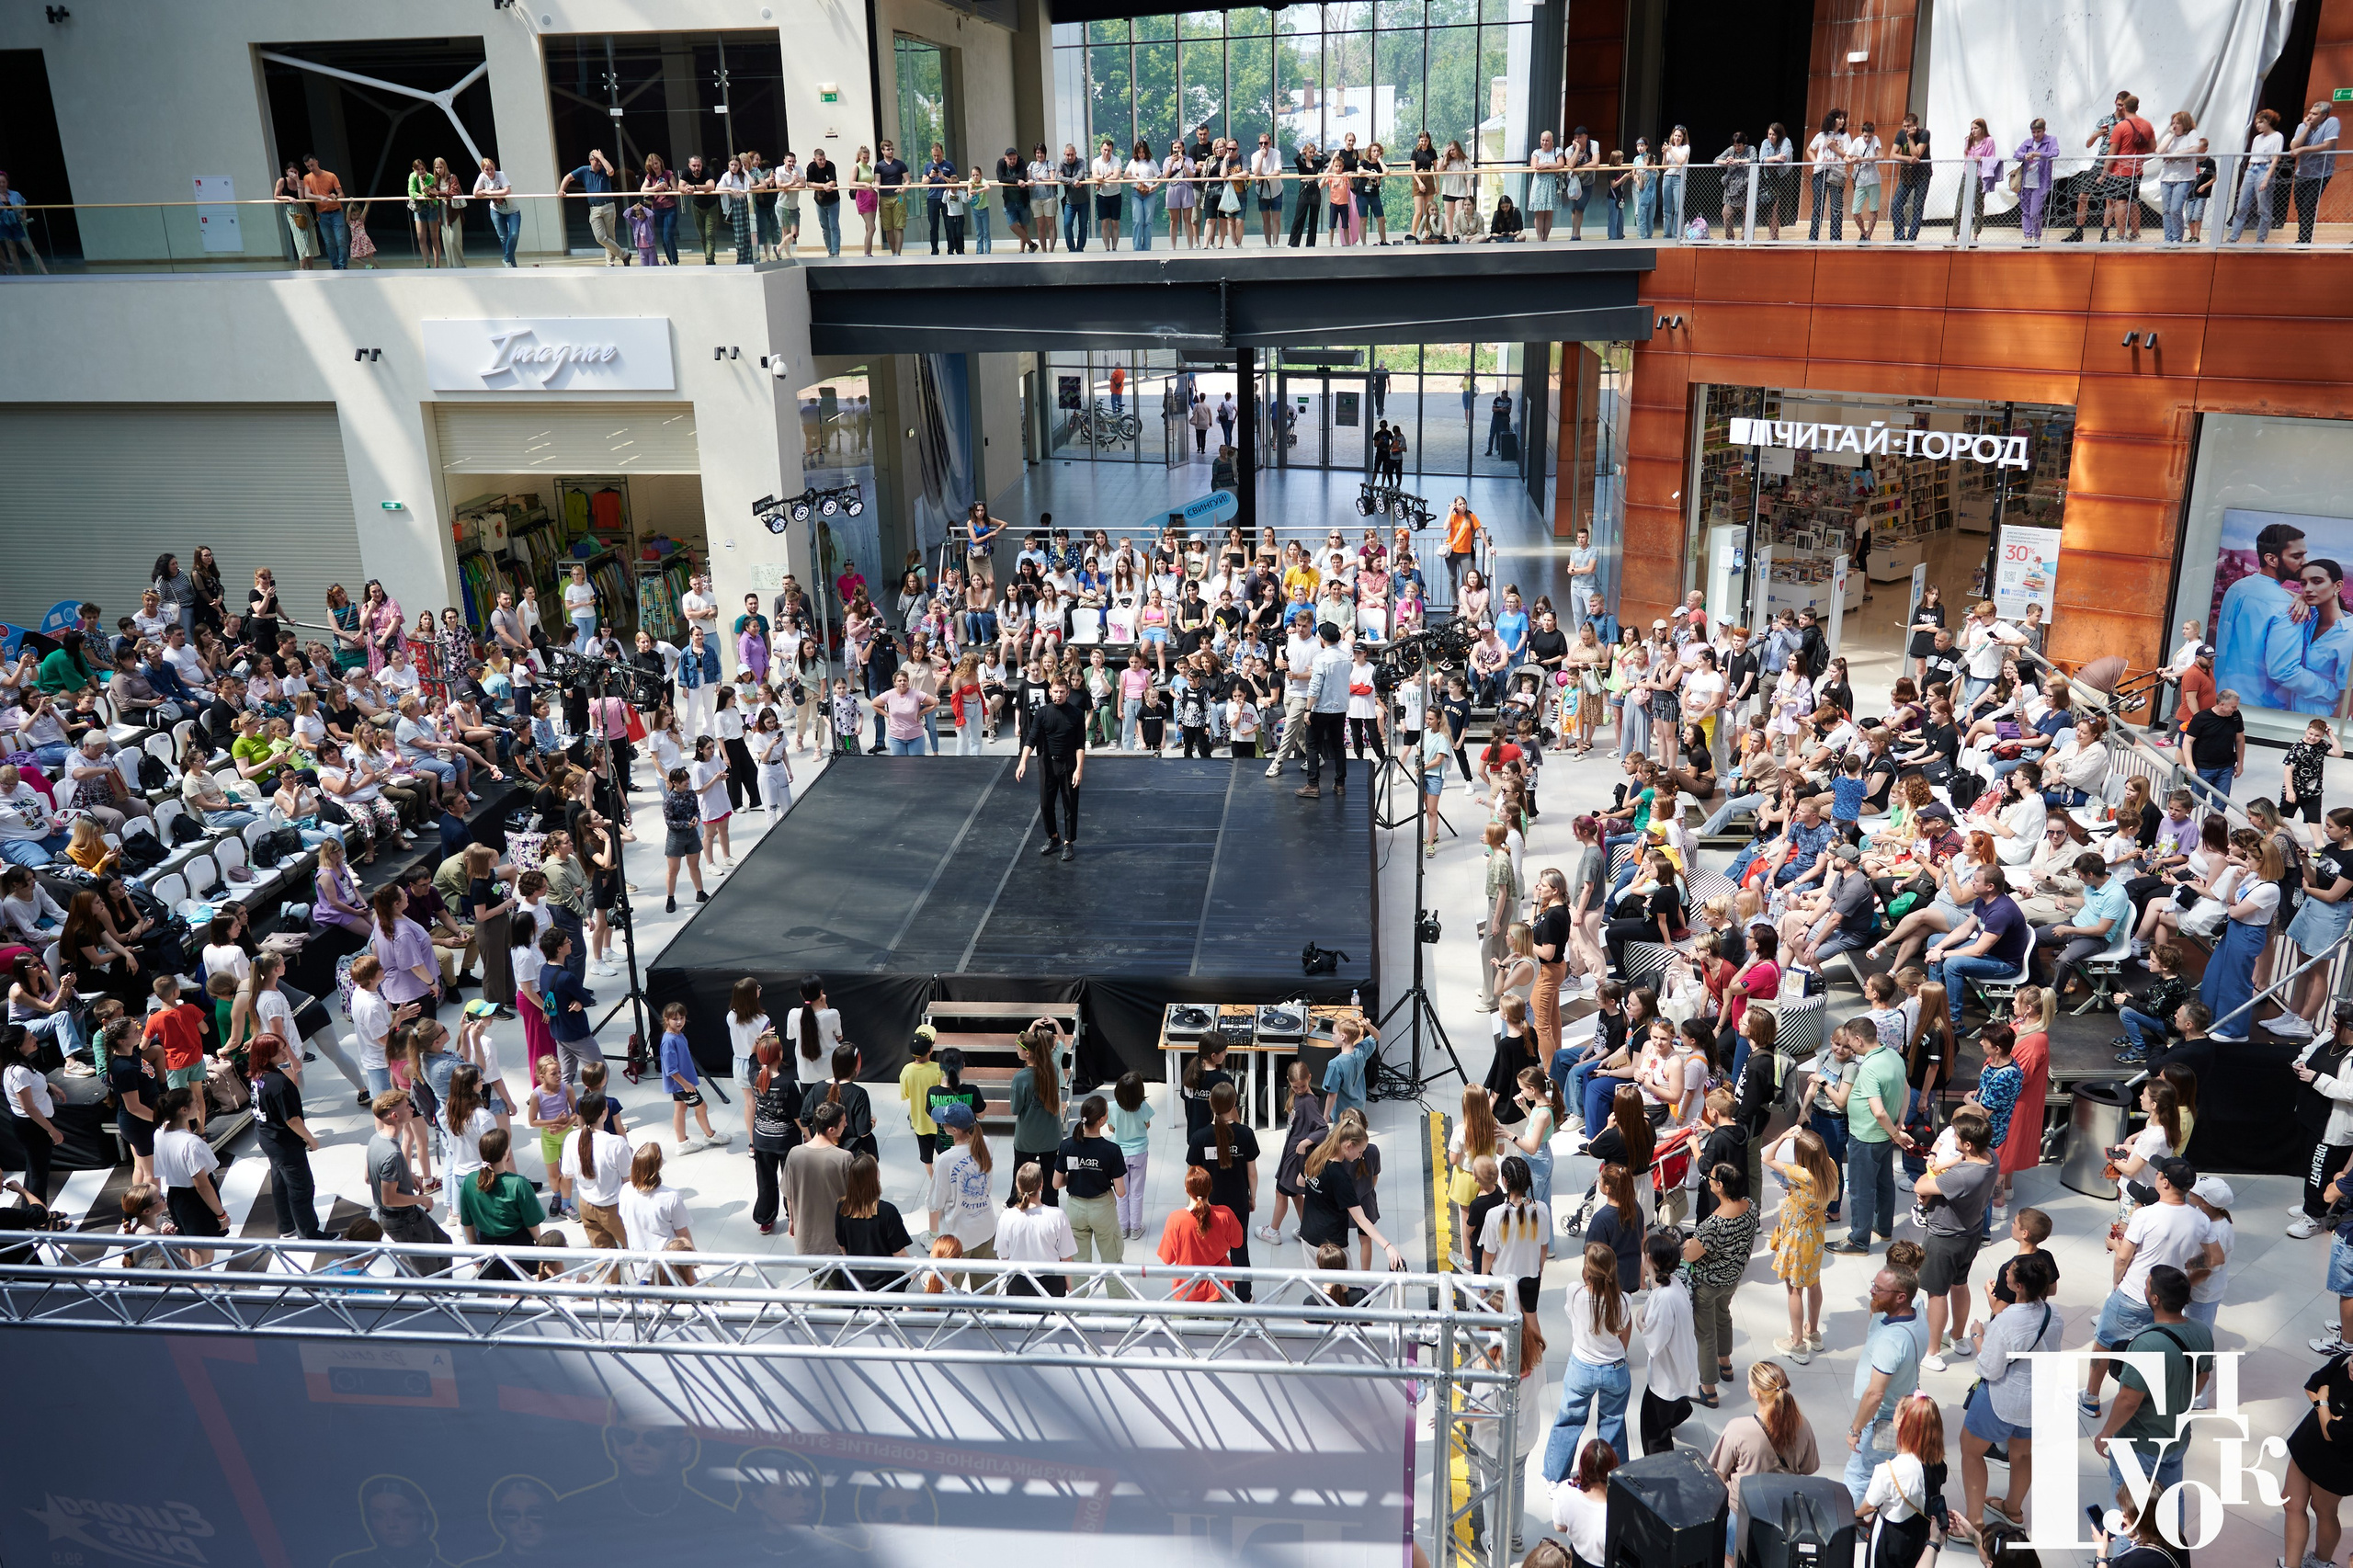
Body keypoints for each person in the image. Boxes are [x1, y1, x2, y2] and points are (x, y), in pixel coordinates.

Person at [2082, 1158, 2222, 1415]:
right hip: (2168, 1301)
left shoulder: (2145, 1214)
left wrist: (2117, 1280)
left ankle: (2091, 1397)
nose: (2155, 1176)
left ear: (2165, 1182)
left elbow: (2124, 1256)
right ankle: (2142, 1401)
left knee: (2104, 1344)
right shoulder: (2200, 1220)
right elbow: (2215, 1258)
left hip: (2133, 1294)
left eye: (2158, 1174)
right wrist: (2186, 1264)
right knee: (2150, 1351)